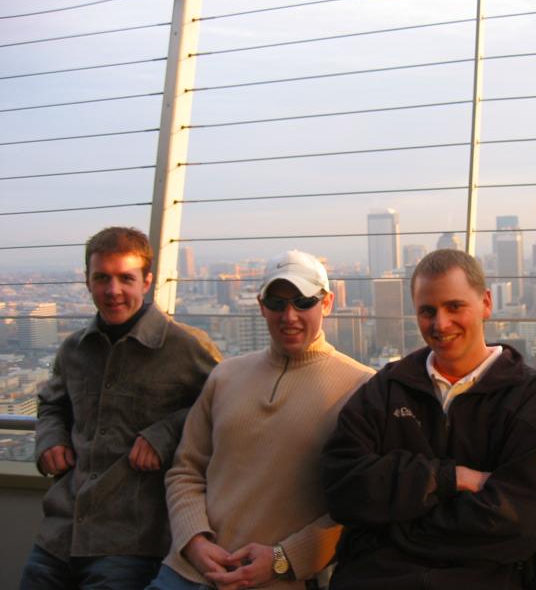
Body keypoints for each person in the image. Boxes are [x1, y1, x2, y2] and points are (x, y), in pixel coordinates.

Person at [322, 248, 536, 590]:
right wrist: (448, 479)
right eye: (427, 311)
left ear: (487, 303)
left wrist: (391, 527)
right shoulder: (387, 388)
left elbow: (520, 521)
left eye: (454, 307)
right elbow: (341, 488)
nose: (440, 324)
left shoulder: (530, 398)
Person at [146, 249, 374, 590]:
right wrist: (193, 540)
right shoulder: (225, 376)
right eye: (277, 303)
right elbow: (185, 469)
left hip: (278, 581)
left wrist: (283, 560)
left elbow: (362, 505)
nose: (289, 315)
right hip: (188, 572)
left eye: (303, 301)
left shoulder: (362, 389)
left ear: (326, 304)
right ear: (261, 306)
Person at [20, 226, 222, 589]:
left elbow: (222, 407)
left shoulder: (186, 348)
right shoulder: (74, 350)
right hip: (59, 534)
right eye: (102, 278)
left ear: (147, 282)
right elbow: (52, 403)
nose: (113, 291)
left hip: (131, 539)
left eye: (125, 278)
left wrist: (165, 434)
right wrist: (50, 439)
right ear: (87, 281)